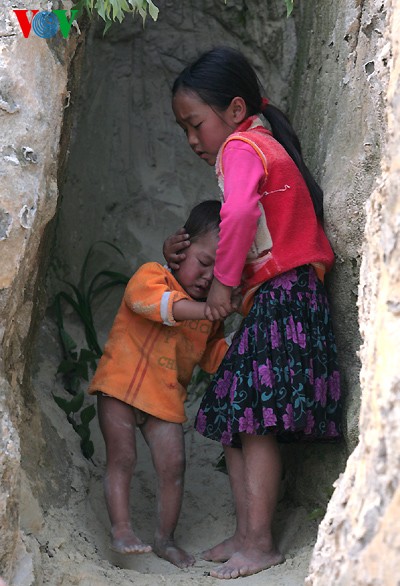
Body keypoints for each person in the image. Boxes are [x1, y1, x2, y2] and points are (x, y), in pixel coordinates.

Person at [164, 46, 342, 579]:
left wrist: (220, 285)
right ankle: (246, 534)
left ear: (235, 110)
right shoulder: (261, 142)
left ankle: (260, 542)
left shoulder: (242, 146)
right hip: (283, 299)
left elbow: (239, 211)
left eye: (195, 125)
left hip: (283, 298)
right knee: (238, 416)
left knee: (254, 420)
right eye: (185, 130)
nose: (193, 140)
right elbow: (244, 227)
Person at [89, 200, 235, 569]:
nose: (207, 278)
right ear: (181, 249)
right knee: (121, 458)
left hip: (164, 402)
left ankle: (164, 539)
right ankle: (121, 528)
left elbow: (214, 357)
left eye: (219, 276)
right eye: (203, 263)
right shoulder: (152, 275)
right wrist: (206, 308)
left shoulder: (208, 319)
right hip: (119, 390)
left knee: (174, 466)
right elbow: (155, 305)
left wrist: (239, 344)